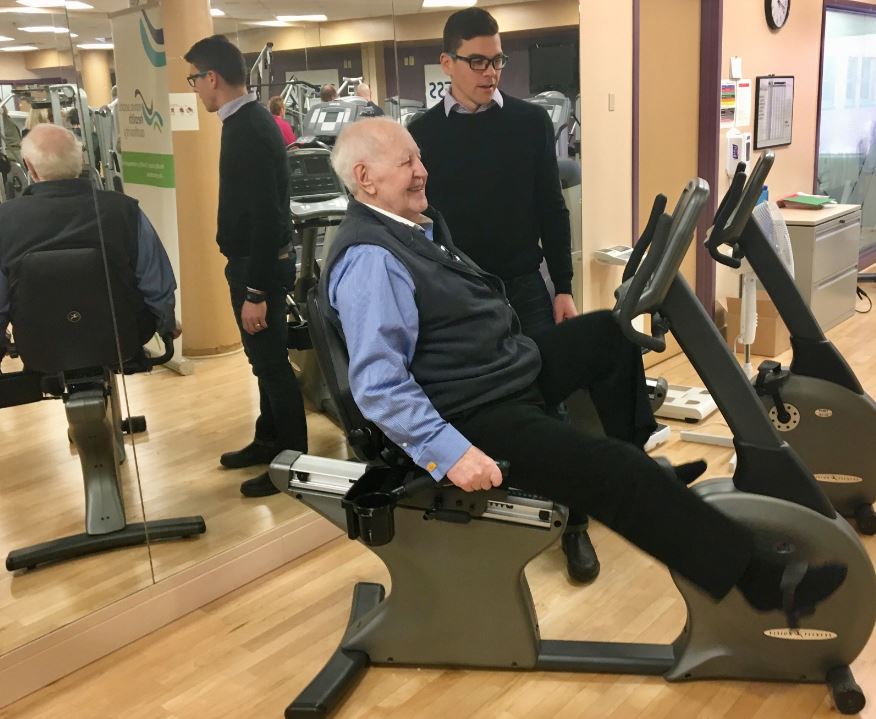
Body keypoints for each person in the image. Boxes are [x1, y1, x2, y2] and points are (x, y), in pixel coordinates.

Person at [321, 117, 847, 631]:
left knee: (608, 335)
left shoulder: (411, 229)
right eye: (406, 162)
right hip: (471, 410)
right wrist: (451, 453)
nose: (422, 171)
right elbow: (379, 386)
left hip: (502, 370)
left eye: (419, 158)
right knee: (615, 471)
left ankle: (647, 473)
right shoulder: (371, 259)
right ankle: (763, 583)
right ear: (365, 178)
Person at [409, 7, 594, 581]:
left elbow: (551, 209)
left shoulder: (530, 123)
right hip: (456, 294)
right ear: (447, 63)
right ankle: (495, 519)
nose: (491, 72)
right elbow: (416, 220)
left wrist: (563, 287)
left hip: (523, 285)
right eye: (478, 62)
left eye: (497, 61)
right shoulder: (421, 135)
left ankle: (576, 524)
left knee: (550, 399)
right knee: (474, 402)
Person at [185, 34, 308, 498]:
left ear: (212, 77)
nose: (195, 88)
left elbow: (267, 217)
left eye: (194, 79)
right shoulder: (243, 122)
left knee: (273, 365)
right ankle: (268, 440)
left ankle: (293, 463)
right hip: (251, 264)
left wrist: (256, 290)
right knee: (263, 363)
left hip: (259, 269)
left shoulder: (249, 129)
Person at [0, 124, 179, 356]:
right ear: (81, 161)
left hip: (39, 345)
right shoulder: (124, 210)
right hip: (123, 338)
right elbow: (155, 278)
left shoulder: (5, 219)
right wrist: (166, 321)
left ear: (30, 167)